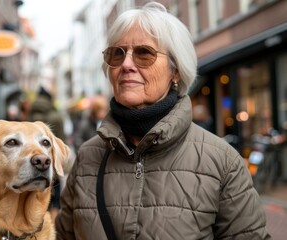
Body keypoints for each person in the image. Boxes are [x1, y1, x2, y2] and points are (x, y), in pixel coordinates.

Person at [55, 2, 270, 239]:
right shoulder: (87, 158)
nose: (126, 65)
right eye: (117, 53)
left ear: (176, 70)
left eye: (144, 53)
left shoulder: (222, 162)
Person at [28, 86, 66, 220]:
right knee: (55, 184)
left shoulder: (30, 114)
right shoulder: (55, 116)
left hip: (33, 159)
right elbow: (61, 139)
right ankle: (54, 213)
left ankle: (37, 215)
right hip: (50, 157)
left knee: (35, 187)